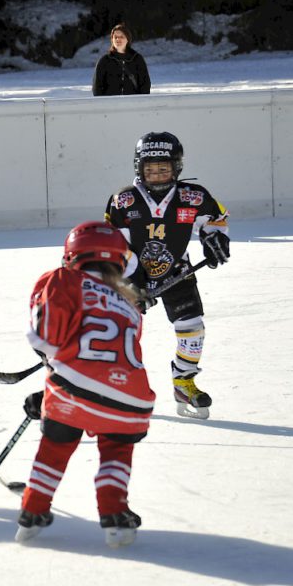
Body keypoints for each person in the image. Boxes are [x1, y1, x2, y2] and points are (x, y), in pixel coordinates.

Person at [15, 221, 154, 548]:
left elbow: (44, 336)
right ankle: (114, 513)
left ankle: (33, 510)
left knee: (56, 444)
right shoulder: (132, 302)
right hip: (132, 399)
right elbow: (118, 358)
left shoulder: (62, 279)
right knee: (116, 448)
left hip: (73, 388)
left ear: (72, 255)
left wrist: (52, 386)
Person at [104, 132, 230, 420]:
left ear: (177, 167)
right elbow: (113, 246)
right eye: (150, 169)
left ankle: (184, 381)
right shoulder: (123, 201)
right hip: (130, 278)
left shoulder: (194, 197)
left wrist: (215, 240)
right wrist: (132, 285)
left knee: (193, 328)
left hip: (177, 271)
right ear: (139, 168)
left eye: (164, 168)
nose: (157, 174)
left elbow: (217, 220)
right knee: (119, 333)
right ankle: (114, 386)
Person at [92, 24, 151, 96]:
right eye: (115, 37)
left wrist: (140, 103)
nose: (118, 39)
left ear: (127, 39)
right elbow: (97, 87)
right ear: (112, 40)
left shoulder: (137, 59)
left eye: (121, 37)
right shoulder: (104, 61)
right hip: (110, 104)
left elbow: (145, 85)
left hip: (133, 103)